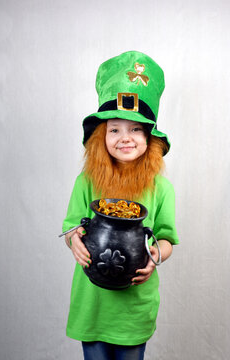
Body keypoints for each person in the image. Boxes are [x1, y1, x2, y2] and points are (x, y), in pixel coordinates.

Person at [62, 51, 179, 360]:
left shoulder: (161, 187)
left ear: (150, 136)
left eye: (136, 129)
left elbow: (166, 238)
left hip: (134, 304)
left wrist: (156, 255)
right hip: (93, 302)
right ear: (101, 136)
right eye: (114, 129)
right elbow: (72, 225)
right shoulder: (86, 181)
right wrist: (74, 240)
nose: (125, 138)